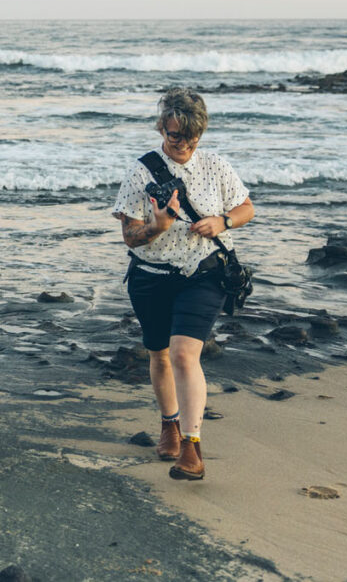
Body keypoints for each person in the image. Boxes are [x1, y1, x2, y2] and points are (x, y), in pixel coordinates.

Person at [111, 88, 253, 480]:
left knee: (184, 354)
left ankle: (192, 447)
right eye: (176, 137)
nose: (184, 146)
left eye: (192, 139)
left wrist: (222, 222)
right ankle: (169, 424)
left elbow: (246, 207)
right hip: (150, 277)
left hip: (203, 272)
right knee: (158, 354)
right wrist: (157, 226)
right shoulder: (141, 172)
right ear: (162, 127)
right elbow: (130, 235)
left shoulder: (216, 166)